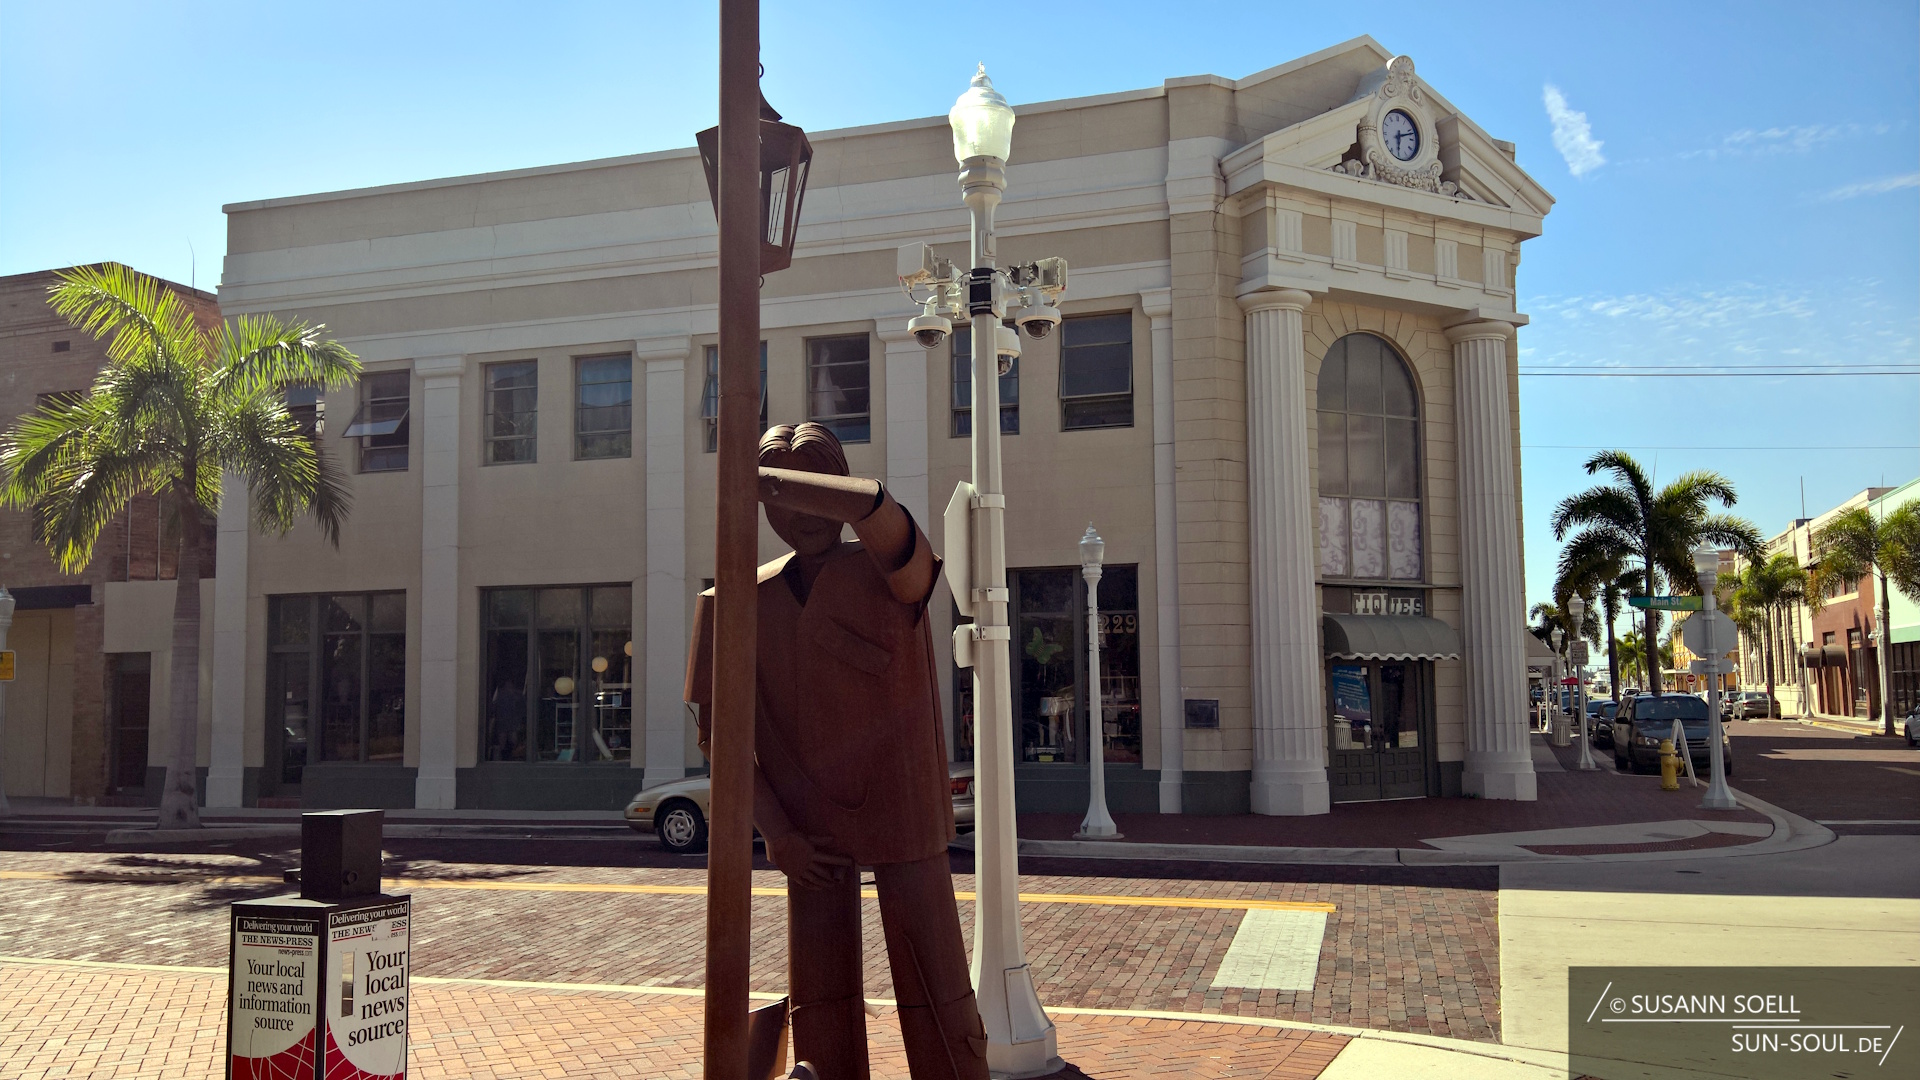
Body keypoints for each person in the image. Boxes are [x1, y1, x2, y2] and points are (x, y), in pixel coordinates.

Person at [686, 423, 987, 1080]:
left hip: (904, 818)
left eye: (816, 492)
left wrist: (792, 486)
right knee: (820, 1006)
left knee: (939, 996)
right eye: (781, 501)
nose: (801, 515)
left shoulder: (891, 573)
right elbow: (722, 740)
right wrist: (778, 832)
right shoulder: (735, 601)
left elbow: (895, 535)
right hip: (807, 830)